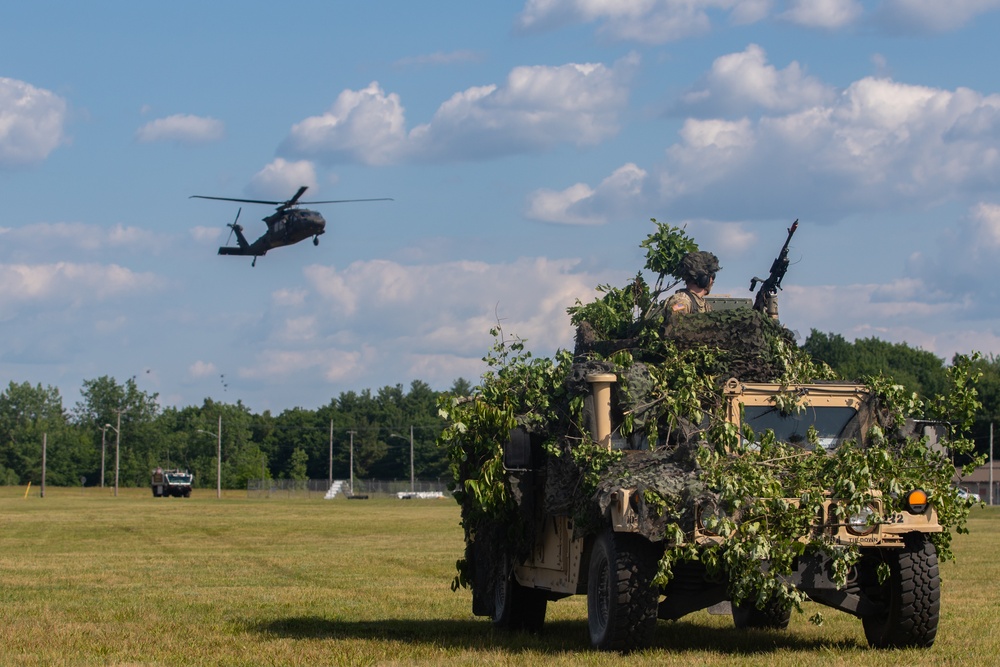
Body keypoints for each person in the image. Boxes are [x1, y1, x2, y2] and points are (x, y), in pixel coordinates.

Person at [663, 250, 721, 324]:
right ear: (704, 278)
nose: (712, 281)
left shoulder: (705, 306)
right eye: (712, 275)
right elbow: (676, 330)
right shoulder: (682, 301)